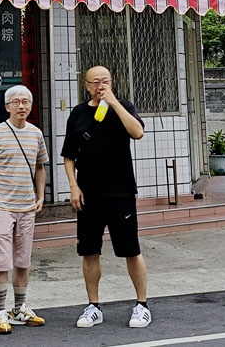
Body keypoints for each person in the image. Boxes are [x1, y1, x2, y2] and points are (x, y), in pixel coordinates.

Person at [61, 65, 151, 329]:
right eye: (95, 82)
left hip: (120, 191)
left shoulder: (124, 106)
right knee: (89, 251)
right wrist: (73, 186)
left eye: (106, 81)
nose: (100, 86)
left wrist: (113, 102)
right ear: (86, 85)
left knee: (131, 250)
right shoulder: (78, 113)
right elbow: (69, 155)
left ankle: (142, 305)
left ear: (112, 83)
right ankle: (93, 305)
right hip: (89, 193)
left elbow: (138, 132)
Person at [0, 85, 49, 335]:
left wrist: (41, 195)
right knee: (1, 262)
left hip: (27, 206)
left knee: (23, 261)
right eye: (16, 102)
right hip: (1, 206)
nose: (22, 106)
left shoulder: (36, 134)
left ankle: (19, 308)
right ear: (7, 106)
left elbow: (40, 166)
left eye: (26, 102)